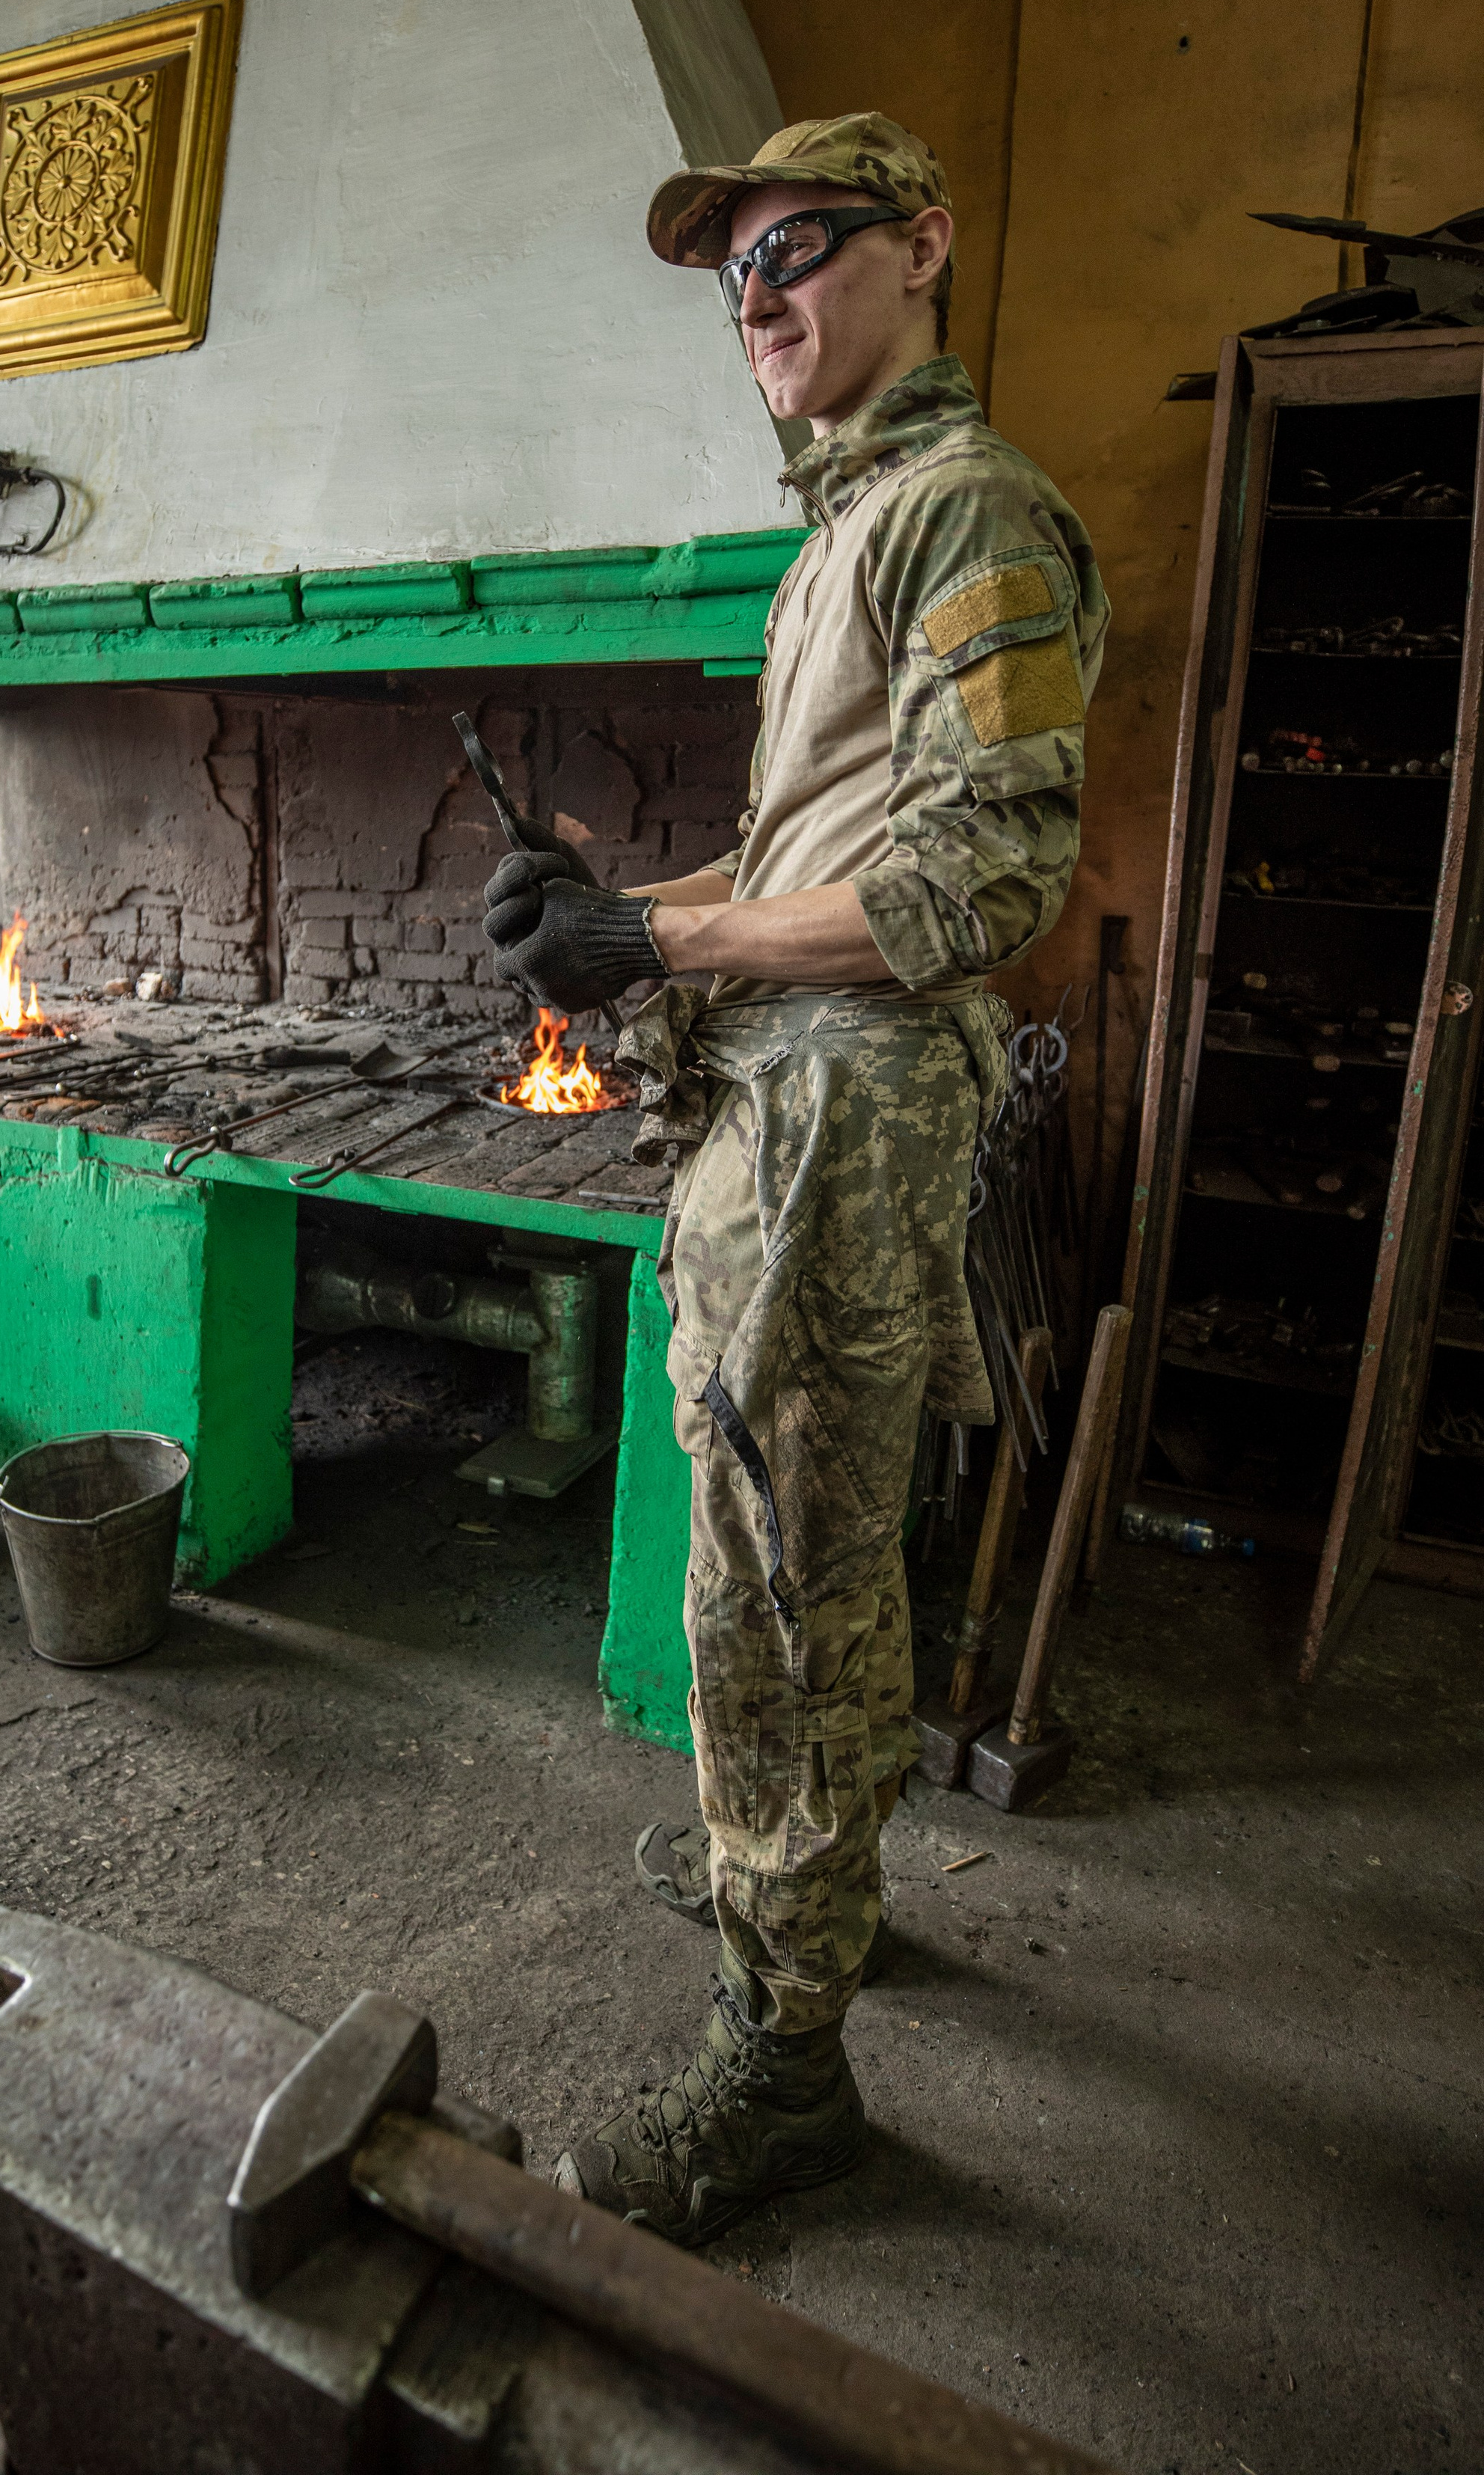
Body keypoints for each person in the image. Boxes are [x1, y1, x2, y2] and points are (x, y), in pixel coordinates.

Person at [482, 112, 1108, 2247]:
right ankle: (805, 1877)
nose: (757, 295)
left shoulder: (966, 514)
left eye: (798, 250)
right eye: (732, 270)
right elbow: (794, 865)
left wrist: (656, 945)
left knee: (785, 1567)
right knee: (787, 1536)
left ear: (922, 246)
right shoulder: (849, 529)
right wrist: (605, 907)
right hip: (780, 1098)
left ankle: (786, 2059)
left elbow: (983, 879)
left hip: (847, 1110)